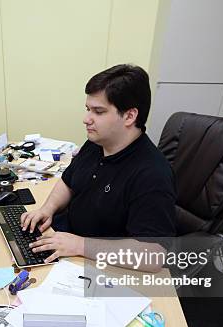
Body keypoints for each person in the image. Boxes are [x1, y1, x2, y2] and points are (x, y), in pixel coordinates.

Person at [21, 64, 176, 272]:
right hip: (68, 243)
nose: (86, 119)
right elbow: (68, 181)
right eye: (88, 109)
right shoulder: (97, 143)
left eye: (98, 111)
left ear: (130, 116)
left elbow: (153, 256)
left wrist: (79, 245)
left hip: (100, 266)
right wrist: (47, 209)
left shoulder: (152, 174)